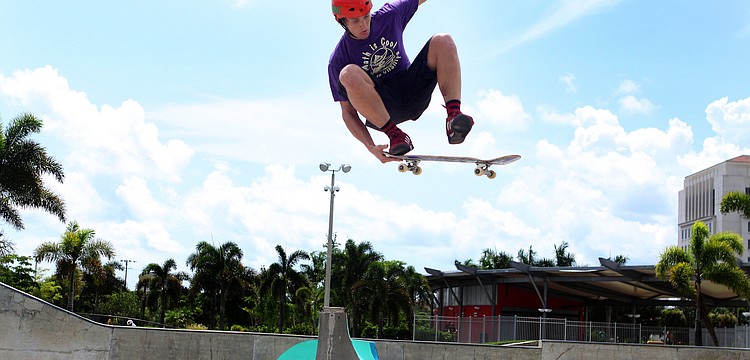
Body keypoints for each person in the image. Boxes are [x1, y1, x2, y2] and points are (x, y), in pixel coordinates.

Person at [328, 0, 474, 163]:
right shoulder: (338, 59)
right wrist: (370, 147)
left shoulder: (390, 15)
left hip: (412, 91)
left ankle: (453, 115)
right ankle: (395, 136)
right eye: (355, 21)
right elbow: (348, 113)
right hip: (383, 109)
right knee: (348, 73)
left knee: (443, 40)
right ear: (342, 22)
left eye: (366, 17)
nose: (364, 25)